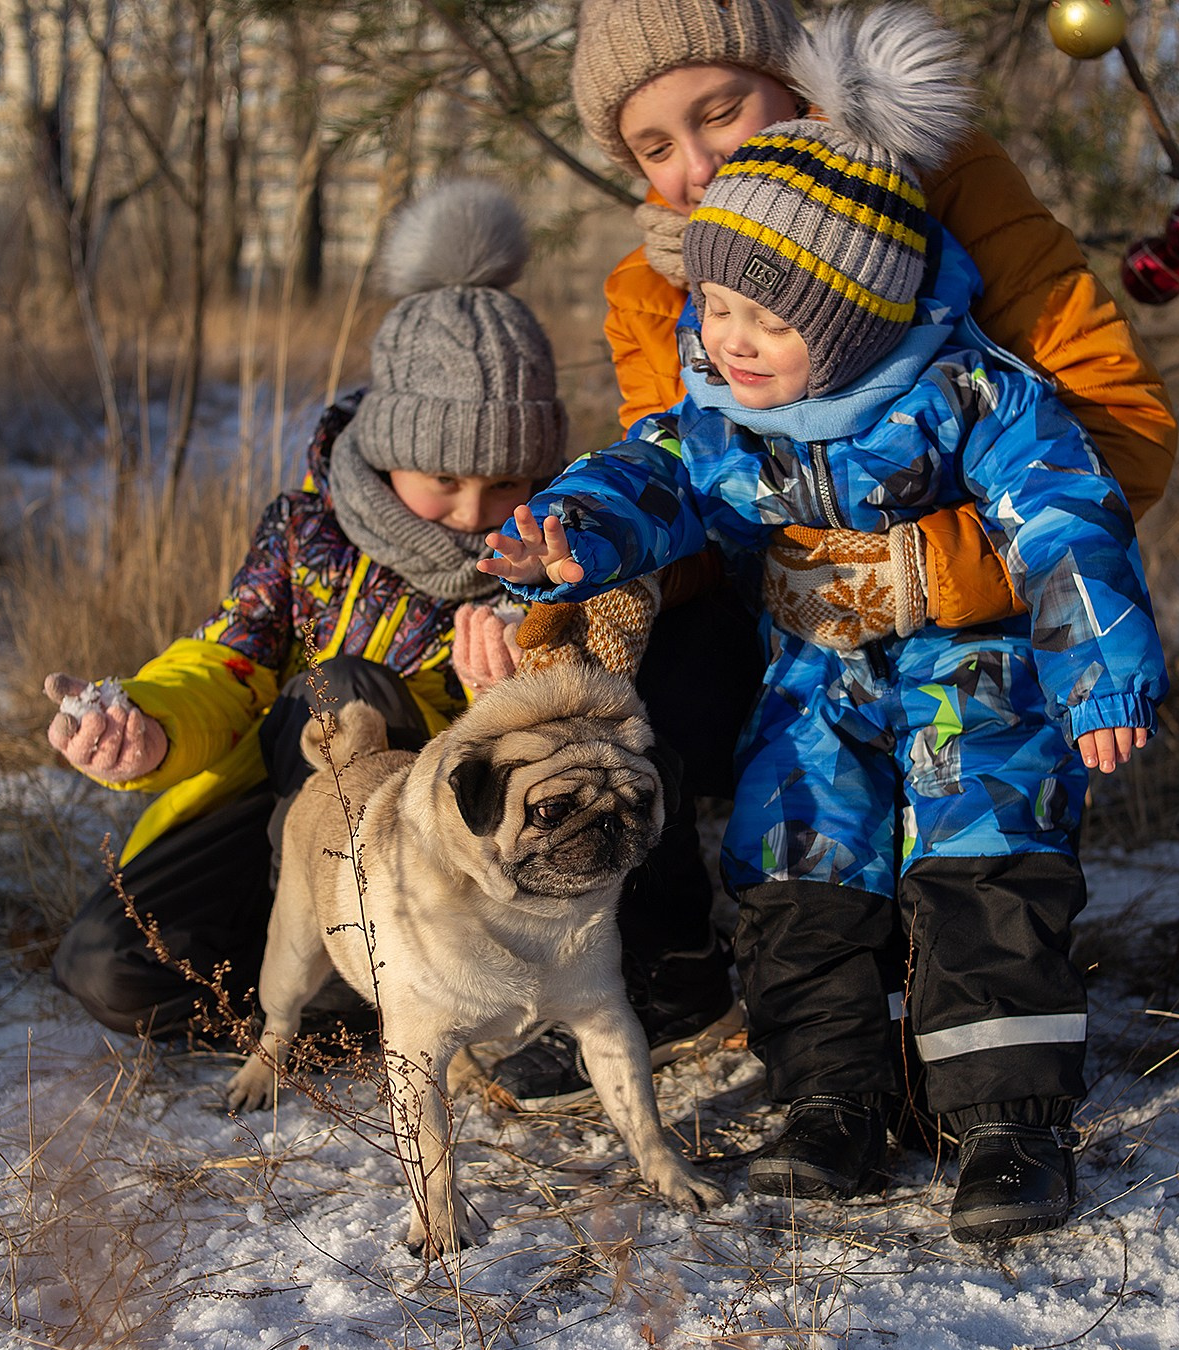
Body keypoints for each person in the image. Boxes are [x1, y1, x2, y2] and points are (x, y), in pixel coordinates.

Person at [482, 7, 1168, 1244]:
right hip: (808, 670)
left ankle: (1006, 1119)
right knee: (794, 856)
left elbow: (1072, 495)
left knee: (985, 860)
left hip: (971, 655)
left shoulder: (962, 368)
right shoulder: (708, 347)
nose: (687, 170)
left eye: (717, 114)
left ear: (794, 82)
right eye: (650, 147)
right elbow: (659, 467)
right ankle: (822, 1095)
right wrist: (565, 562)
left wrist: (1087, 664)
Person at [43, 181, 739, 1069]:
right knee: (112, 968)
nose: (472, 511)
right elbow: (227, 662)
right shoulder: (305, 531)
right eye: (442, 480)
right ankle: (325, 1000)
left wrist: (514, 703)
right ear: (382, 446)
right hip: (287, 815)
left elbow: (573, 750)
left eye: (504, 484)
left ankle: (407, 1004)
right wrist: (150, 726)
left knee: (351, 688)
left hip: (437, 854)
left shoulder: (557, 558)